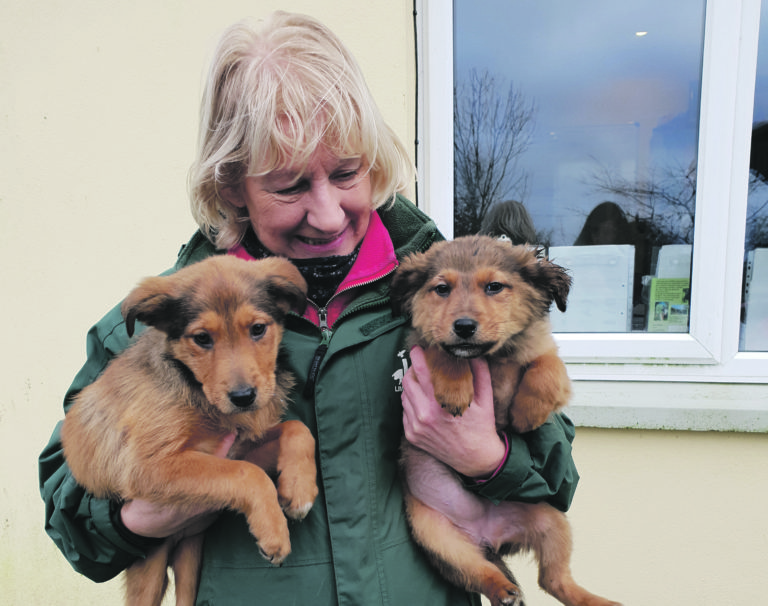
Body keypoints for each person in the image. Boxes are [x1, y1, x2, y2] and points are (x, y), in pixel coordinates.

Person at [39, 12, 579, 605]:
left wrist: (488, 459)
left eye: (347, 173)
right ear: (230, 186)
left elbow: (558, 478)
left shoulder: (436, 293)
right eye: (289, 186)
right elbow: (69, 513)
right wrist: (139, 518)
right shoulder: (162, 319)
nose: (326, 214)